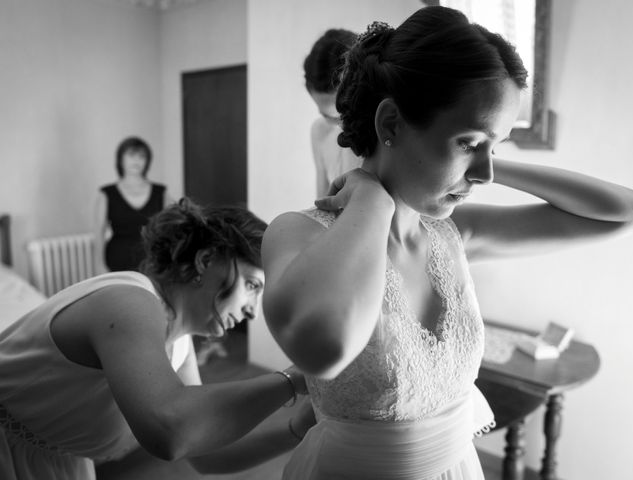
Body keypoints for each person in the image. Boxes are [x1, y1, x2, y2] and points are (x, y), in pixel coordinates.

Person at [261, 6, 633, 480]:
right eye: (468, 142)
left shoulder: (451, 234)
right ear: (392, 124)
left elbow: (629, 213)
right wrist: (372, 203)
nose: (484, 174)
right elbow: (326, 348)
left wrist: (484, 156)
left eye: (495, 145)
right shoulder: (296, 232)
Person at [0, 199, 315, 480]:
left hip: (56, 461)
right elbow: (170, 430)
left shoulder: (179, 344)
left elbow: (202, 454)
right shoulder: (126, 302)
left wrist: (295, 432)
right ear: (205, 260)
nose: (252, 312)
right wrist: (293, 379)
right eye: (251, 285)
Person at [94, 136, 171, 273]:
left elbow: (172, 230)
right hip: (116, 262)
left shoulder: (161, 193)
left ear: (147, 161)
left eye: (141, 156)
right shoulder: (106, 194)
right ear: (120, 159)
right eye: (131, 155)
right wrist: (99, 265)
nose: (136, 161)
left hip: (152, 262)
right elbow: (99, 234)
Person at [304, 28, 362, 197]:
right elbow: (322, 200)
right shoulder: (319, 131)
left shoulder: (385, 132)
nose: (342, 126)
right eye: (329, 116)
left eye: (346, 114)